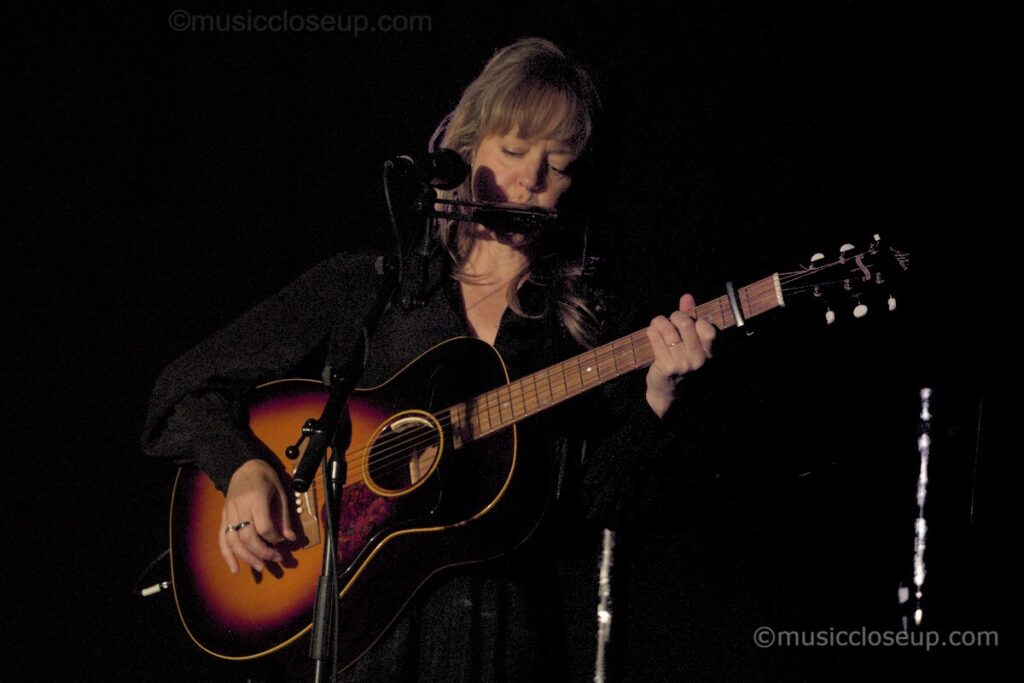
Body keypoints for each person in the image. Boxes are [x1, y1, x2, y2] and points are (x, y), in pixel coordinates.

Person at [143, 37, 716, 681]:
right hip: (359, 648)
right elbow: (183, 389)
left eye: (557, 165)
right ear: (465, 150)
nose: (530, 179)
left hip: (504, 647)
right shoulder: (373, 288)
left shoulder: (587, 326)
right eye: (514, 150)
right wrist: (243, 467)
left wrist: (660, 395)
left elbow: (603, 508)